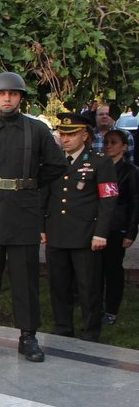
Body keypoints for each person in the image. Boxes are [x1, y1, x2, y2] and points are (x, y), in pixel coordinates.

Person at [0, 72, 67, 362]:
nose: (7, 98)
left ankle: (28, 337)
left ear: (20, 98)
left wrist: (30, 183)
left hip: (23, 214)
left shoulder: (37, 131)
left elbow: (57, 165)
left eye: (13, 94)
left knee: (25, 279)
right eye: (1, 94)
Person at [41, 112, 117, 342]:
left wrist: (101, 233)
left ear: (84, 135)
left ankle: (91, 331)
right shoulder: (54, 161)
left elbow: (108, 199)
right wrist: (41, 227)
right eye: (63, 134)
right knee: (59, 285)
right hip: (57, 233)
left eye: (71, 134)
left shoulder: (100, 162)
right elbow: (44, 195)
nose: (65, 139)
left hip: (86, 236)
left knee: (88, 287)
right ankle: (63, 327)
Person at [101, 128, 139, 325]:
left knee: (113, 270)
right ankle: (94, 306)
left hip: (117, 227)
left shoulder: (130, 171)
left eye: (114, 142)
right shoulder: (99, 167)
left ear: (124, 147)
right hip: (98, 226)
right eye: (107, 142)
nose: (109, 146)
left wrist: (131, 232)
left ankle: (111, 310)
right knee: (95, 270)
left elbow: (134, 203)